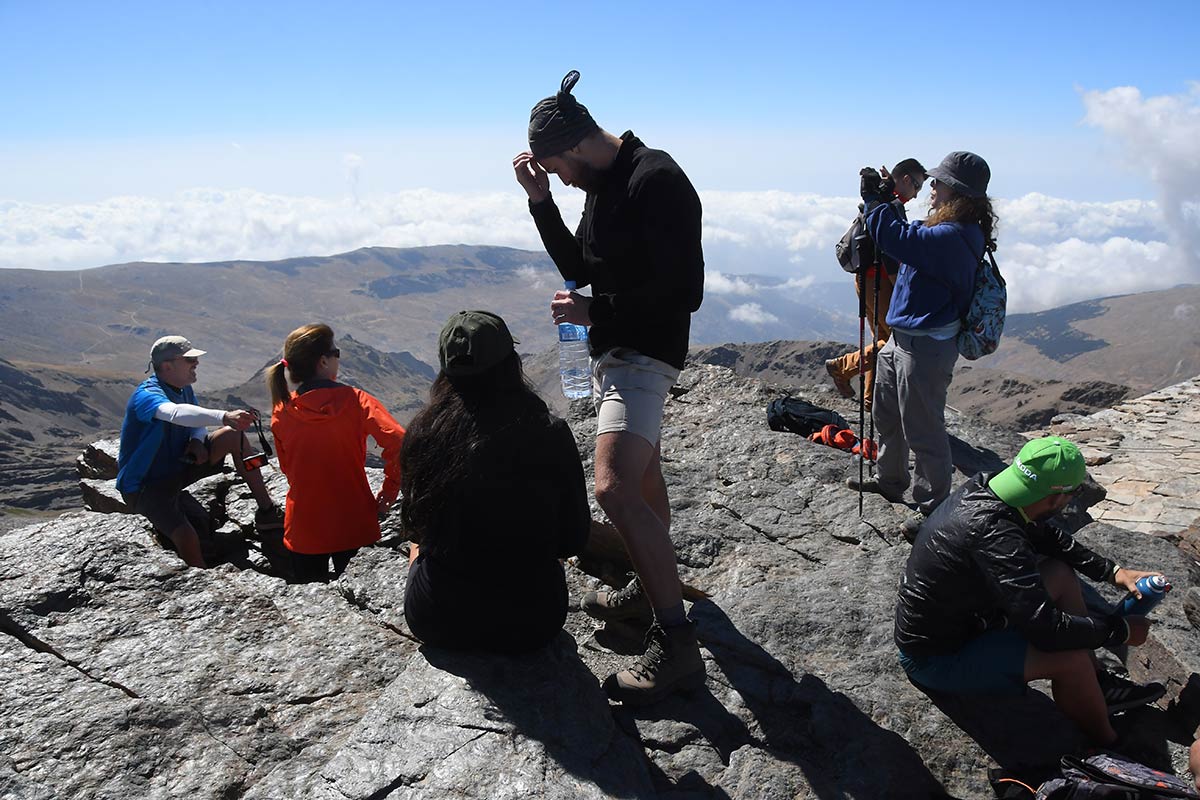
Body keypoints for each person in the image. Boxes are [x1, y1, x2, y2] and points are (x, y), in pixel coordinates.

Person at [512, 70, 706, 703]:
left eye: (559, 171)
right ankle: (654, 587)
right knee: (643, 483)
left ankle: (676, 645)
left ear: (573, 149)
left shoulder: (657, 180)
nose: (565, 181)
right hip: (617, 350)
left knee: (613, 488)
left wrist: (598, 314)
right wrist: (542, 201)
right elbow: (581, 267)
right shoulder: (603, 184)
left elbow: (685, 294)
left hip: (645, 356)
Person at [895, 436, 1167, 746]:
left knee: (1060, 575)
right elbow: (1047, 631)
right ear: (1057, 499)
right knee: (1071, 658)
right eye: (1073, 493)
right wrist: (1119, 630)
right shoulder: (997, 535)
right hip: (936, 658)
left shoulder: (987, 488)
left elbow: (1046, 535)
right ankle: (1109, 743)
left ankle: (1098, 684)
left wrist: (1111, 571)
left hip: (959, 622)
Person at [400, 311, 590, 653]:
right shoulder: (550, 432)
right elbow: (573, 539)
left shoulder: (422, 433)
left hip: (437, 620)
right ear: (510, 362)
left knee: (420, 546)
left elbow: (414, 528)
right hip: (533, 622)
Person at [847, 151, 995, 516]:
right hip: (903, 339)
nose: (932, 187)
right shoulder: (946, 228)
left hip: (926, 347)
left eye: (938, 183)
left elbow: (898, 240)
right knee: (887, 415)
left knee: (924, 431)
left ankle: (932, 509)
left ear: (956, 193)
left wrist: (875, 201)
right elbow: (906, 238)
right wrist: (889, 200)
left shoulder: (954, 235)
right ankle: (890, 480)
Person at [116, 335, 283, 568]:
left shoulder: (182, 388)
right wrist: (224, 416)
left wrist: (196, 439)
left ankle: (267, 511)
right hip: (146, 486)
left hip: (180, 465)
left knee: (233, 436)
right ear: (167, 366)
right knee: (187, 537)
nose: (196, 363)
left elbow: (193, 416)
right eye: (189, 360)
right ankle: (200, 577)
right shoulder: (147, 396)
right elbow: (174, 413)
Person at [267, 324, 405, 583]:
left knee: (312, 605)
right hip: (354, 523)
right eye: (336, 352)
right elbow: (399, 442)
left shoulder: (281, 411)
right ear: (323, 361)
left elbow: (288, 469)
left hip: (305, 526)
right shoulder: (358, 400)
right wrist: (388, 493)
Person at [826, 158, 927, 411]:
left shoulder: (880, 201)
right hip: (878, 281)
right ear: (905, 180)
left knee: (882, 337)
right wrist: (904, 290)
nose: (916, 196)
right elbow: (891, 252)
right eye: (916, 187)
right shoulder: (889, 206)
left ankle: (871, 401)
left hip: (865, 278)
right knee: (895, 339)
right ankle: (843, 367)